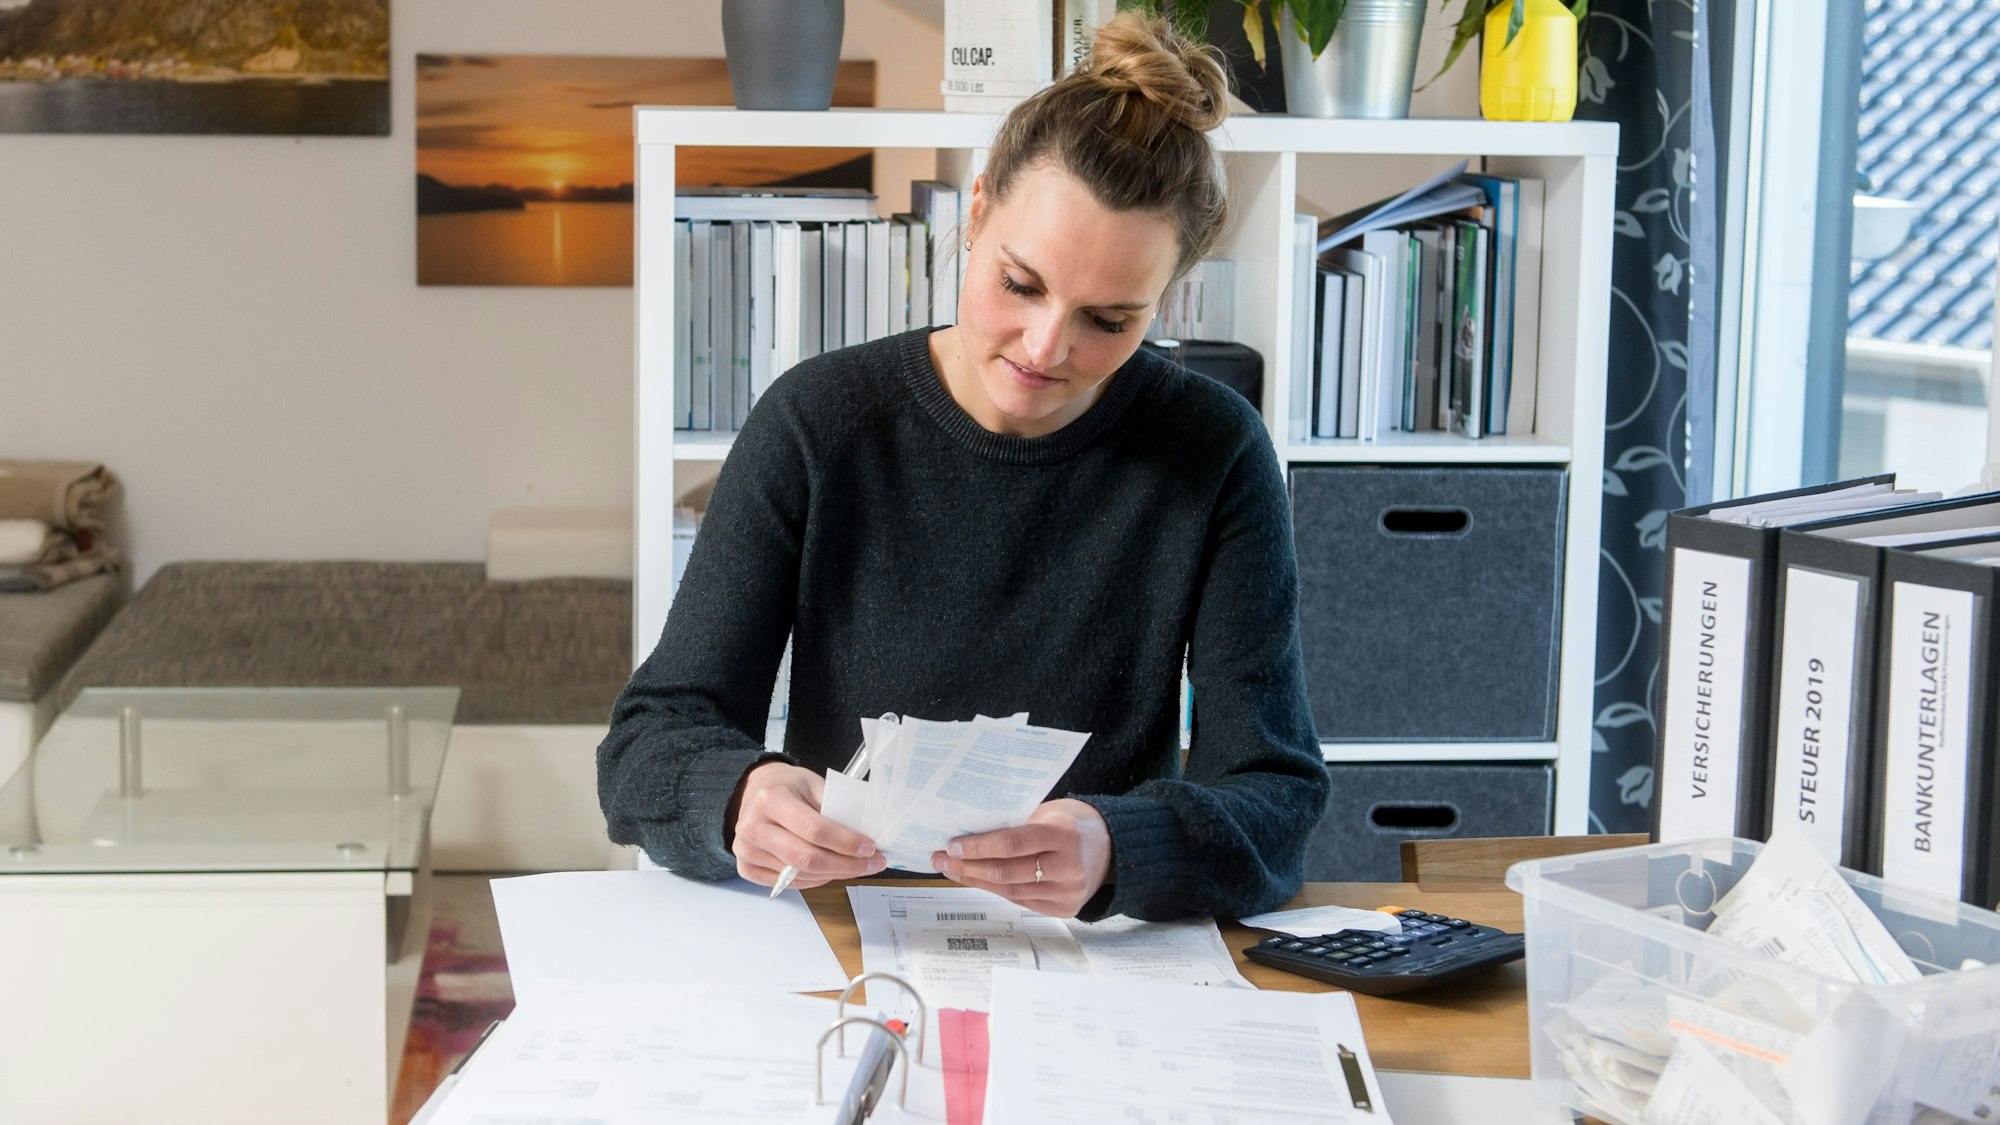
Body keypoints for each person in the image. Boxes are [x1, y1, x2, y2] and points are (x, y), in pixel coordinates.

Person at [597, 11, 1327, 923]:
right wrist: (740, 797)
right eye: (1020, 284)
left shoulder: (1212, 451)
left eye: (1109, 320)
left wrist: (1117, 846)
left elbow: (1277, 801)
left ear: (1167, 296)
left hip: (1096, 959)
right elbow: (644, 748)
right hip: (844, 934)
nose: (1045, 346)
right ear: (976, 212)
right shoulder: (818, 423)